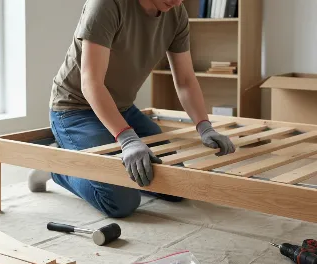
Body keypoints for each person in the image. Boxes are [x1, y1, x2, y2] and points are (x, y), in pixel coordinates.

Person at [29, 0, 236, 218]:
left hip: (123, 108)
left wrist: (204, 126)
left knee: (176, 184)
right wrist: (126, 138)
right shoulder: (106, 5)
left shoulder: (176, 13)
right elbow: (91, 82)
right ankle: (57, 168)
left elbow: (184, 80)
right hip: (76, 109)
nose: (178, 1)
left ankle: (97, 156)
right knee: (121, 202)